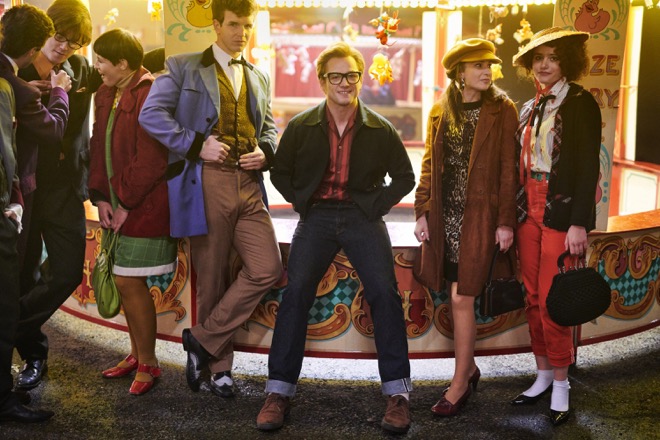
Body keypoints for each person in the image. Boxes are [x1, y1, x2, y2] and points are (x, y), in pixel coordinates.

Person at [256, 41, 415, 434]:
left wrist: (375, 205)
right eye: (336, 76)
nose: (345, 83)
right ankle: (278, 392)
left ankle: (398, 395)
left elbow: (405, 177)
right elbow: (279, 172)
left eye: (352, 75)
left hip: (362, 216)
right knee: (296, 294)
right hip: (319, 216)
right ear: (323, 81)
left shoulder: (379, 128)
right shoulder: (302, 126)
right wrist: (302, 201)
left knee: (385, 293)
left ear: (360, 79)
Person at [139, 0, 282, 399]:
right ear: (216, 25)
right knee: (213, 275)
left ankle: (200, 339)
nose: (241, 33)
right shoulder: (183, 65)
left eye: (247, 26)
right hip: (207, 180)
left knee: (267, 268)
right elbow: (151, 115)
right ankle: (220, 369)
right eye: (234, 25)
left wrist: (266, 151)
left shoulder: (258, 75)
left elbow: (269, 128)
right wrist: (196, 144)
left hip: (249, 182)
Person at [413, 38, 518, 417]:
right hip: (446, 218)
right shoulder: (441, 110)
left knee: (461, 297)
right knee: (454, 294)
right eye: (478, 66)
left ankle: (459, 383)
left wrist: (505, 222)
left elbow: (509, 170)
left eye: (489, 65)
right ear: (460, 72)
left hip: (480, 219)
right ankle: (469, 369)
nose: (487, 71)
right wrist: (421, 210)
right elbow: (429, 164)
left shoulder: (502, 109)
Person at [510, 27, 600, 426]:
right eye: (538, 57)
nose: (544, 64)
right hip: (526, 206)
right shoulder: (529, 106)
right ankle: (543, 373)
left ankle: (561, 384)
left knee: (553, 299)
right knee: (531, 296)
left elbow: (587, 166)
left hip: (560, 208)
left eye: (553, 57)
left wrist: (580, 222)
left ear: (568, 62)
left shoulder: (580, 102)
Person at [88, 28, 177, 396]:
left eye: (101, 61)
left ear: (123, 63)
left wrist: (124, 202)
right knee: (123, 281)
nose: (97, 67)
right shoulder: (106, 92)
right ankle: (136, 354)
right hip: (116, 203)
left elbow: (152, 159)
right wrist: (101, 197)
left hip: (144, 204)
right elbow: (97, 144)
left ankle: (149, 361)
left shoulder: (150, 91)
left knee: (127, 281)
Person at [13, 0, 93, 393]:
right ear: (46, 30)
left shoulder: (80, 69)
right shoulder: (17, 69)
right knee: (23, 274)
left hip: (63, 184)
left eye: (74, 42)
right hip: (23, 187)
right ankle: (34, 355)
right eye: (60, 36)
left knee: (67, 271)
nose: (64, 47)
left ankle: (11, 327)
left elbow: (121, 67)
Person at [0, 4, 67, 423]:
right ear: (32, 49)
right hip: (9, 206)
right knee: (6, 304)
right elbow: (48, 132)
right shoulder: (13, 86)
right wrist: (11, 203)